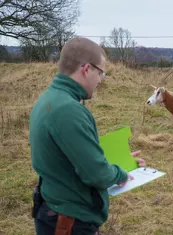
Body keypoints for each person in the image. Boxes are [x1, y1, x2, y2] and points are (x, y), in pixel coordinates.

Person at [29, 37, 145, 235]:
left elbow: (70, 156)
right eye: (101, 72)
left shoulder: (50, 98)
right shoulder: (69, 110)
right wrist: (120, 174)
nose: (100, 80)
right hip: (69, 221)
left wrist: (115, 161)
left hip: (55, 211)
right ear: (87, 69)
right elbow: (97, 175)